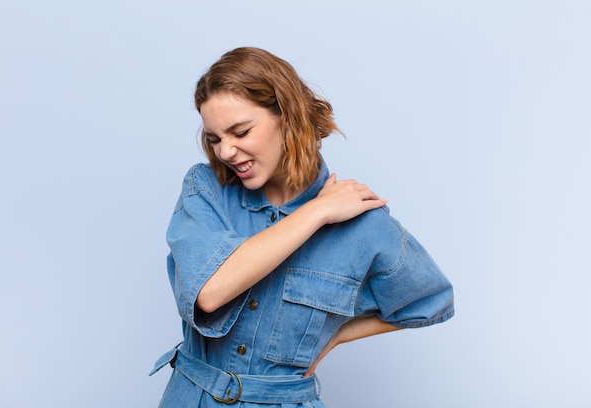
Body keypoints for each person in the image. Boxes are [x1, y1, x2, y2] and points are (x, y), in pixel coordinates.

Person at [150, 47, 454, 407]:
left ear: (287, 117)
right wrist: (316, 213)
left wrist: (339, 335)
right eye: (215, 139)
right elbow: (210, 292)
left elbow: (432, 301)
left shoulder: (364, 225)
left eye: (240, 132)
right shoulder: (206, 191)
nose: (226, 152)